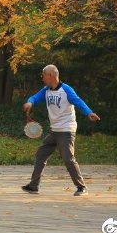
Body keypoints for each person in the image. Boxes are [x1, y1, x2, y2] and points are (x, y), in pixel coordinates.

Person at [21, 64, 100, 196]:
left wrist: (89, 112)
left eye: (43, 75)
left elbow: (78, 101)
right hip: (54, 131)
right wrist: (30, 102)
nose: (42, 77)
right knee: (41, 154)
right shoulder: (46, 90)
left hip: (66, 130)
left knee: (68, 159)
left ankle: (81, 187)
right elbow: (34, 97)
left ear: (51, 75)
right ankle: (33, 186)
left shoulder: (66, 89)